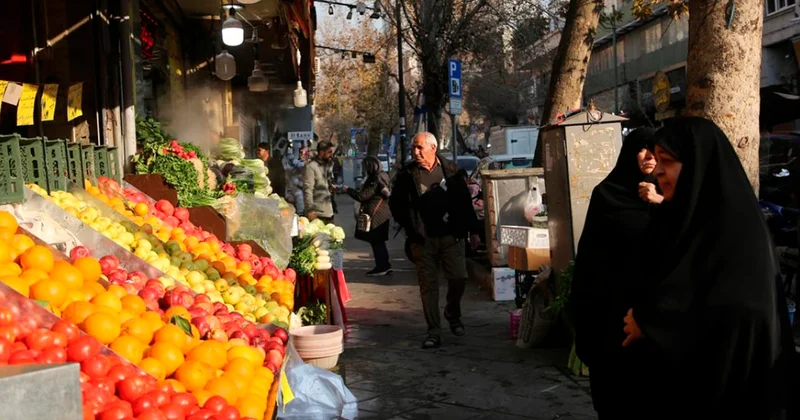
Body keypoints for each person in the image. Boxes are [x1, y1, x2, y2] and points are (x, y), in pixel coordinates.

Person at [622, 117, 792, 419]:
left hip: (725, 392)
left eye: (668, 161)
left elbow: (742, 311)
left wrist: (653, 322)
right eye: (656, 160)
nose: (658, 170)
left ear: (699, 166)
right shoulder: (681, 219)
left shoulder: (736, 230)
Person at [568, 127, 658, 419]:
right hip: (611, 311)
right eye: (642, 149)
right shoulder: (608, 194)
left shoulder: (671, 194)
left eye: (655, 149)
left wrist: (660, 203)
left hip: (655, 313)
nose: (649, 156)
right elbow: (590, 258)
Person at [390, 132, 481, 349]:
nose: (416, 152)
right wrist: (412, 227)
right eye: (414, 147)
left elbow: (465, 202)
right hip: (423, 240)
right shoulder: (407, 175)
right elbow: (396, 204)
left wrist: (474, 231)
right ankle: (434, 330)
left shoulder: (452, 171)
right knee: (428, 287)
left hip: (452, 236)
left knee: (459, 278)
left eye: (420, 147)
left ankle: (452, 311)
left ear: (433, 147)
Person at [343, 156, 393, 276]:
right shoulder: (384, 175)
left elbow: (363, 196)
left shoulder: (375, 179)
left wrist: (348, 190)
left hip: (376, 214)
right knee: (379, 241)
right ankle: (384, 265)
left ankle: (382, 266)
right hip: (383, 212)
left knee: (376, 241)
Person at [303, 141, 335, 223]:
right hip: (317, 214)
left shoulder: (327, 166)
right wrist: (310, 210)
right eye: (329, 152)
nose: (331, 155)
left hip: (329, 212)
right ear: (321, 152)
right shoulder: (311, 167)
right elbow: (308, 190)